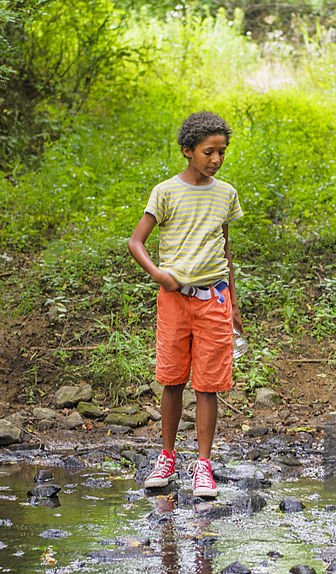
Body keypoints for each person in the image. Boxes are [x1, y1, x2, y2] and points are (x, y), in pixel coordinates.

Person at [127, 111, 244, 498]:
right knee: (173, 380)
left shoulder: (226, 194)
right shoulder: (165, 192)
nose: (216, 160)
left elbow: (225, 249)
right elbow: (136, 242)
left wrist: (234, 304)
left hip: (214, 300)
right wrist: (159, 275)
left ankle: (204, 466)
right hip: (175, 300)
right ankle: (167, 456)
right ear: (187, 151)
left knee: (208, 385)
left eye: (222, 152)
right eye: (209, 152)